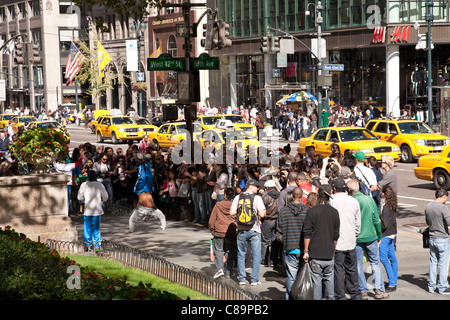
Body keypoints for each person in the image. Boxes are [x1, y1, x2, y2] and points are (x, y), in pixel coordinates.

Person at [347, 179, 388, 299]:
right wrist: (379, 234)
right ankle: (378, 289)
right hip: (370, 235)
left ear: (349, 190)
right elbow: (376, 219)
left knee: (358, 264)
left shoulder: (351, 201)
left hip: (356, 237)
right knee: (375, 262)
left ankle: (363, 290)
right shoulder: (368, 200)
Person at [303, 184, 340, 300]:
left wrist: (305, 251)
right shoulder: (334, 212)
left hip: (315, 254)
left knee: (316, 283)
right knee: (329, 282)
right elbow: (336, 235)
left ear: (319, 196)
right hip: (329, 254)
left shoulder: (311, 212)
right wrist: (333, 249)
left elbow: (307, 233)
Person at [329, 178, 362, 300]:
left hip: (337, 242)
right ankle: (355, 294)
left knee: (338, 270)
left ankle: (340, 295)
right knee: (352, 269)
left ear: (334, 189)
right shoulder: (353, 201)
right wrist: (355, 235)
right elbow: (358, 222)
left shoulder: (332, 201)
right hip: (350, 240)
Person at [230, 179, 266, 286]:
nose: (257, 189)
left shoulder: (238, 197)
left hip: (241, 229)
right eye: (256, 187)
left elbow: (231, 212)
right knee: (256, 255)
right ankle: (254, 279)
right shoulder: (257, 198)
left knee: (241, 254)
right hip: (254, 229)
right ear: (250, 186)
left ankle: (241, 278)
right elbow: (263, 214)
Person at [277, 187, 308, 300]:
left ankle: (290, 297)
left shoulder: (283, 211)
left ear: (291, 196)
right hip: (303, 248)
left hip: (289, 247)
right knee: (302, 276)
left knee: (291, 276)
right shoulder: (307, 211)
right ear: (302, 196)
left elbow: (279, 230)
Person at [126, 153, 166, 233]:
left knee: (142, 177)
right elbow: (162, 217)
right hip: (148, 189)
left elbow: (132, 220)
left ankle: (141, 163)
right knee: (149, 176)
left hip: (140, 189)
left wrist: (131, 229)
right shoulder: (153, 210)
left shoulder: (138, 212)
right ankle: (147, 162)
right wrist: (162, 227)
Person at [425, 188, 450, 294]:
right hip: (443, 238)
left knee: (433, 262)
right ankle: (443, 287)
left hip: (432, 238)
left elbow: (427, 221)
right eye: (446, 198)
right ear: (444, 196)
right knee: (443, 264)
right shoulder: (443, 208)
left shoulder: (428, 206)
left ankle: (431, 286)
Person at [208, 187, 237, 279]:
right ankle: (229, 270)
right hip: (231, 232)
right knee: (230, 251)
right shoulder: (235, 206)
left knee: (219, 250)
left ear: (225, 195)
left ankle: (220, 269)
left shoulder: (218, 205)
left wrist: (212, 229)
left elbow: (212, 219)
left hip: (219, 231)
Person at [77, 170, 109, 252]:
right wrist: (101, 199)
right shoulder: (99, 185)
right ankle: (97, 245)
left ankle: (87, 245)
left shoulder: (84, 185)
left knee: (87, 228)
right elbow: (105, 197)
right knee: (96, 229)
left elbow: (79, 197)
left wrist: (85, 198)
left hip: (87, 210)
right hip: (97, 211)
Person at [379, 185, 399, 293]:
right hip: (392, 234)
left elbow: (384, 224)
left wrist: (378, 228)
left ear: (384, 194)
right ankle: (393, 281)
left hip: (385, 235)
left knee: (383, 258)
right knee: (392, 258)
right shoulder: (393, 204)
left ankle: (392, 283)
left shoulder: (385, 206)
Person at [260, 179, 280, 268]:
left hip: (267, 221)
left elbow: (261, 209)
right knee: (275, 241)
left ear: (267, 188)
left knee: (265, 242)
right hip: (277, 221)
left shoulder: (265, 197)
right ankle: (273, 261)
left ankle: (264, 260)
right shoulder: (280, 196)